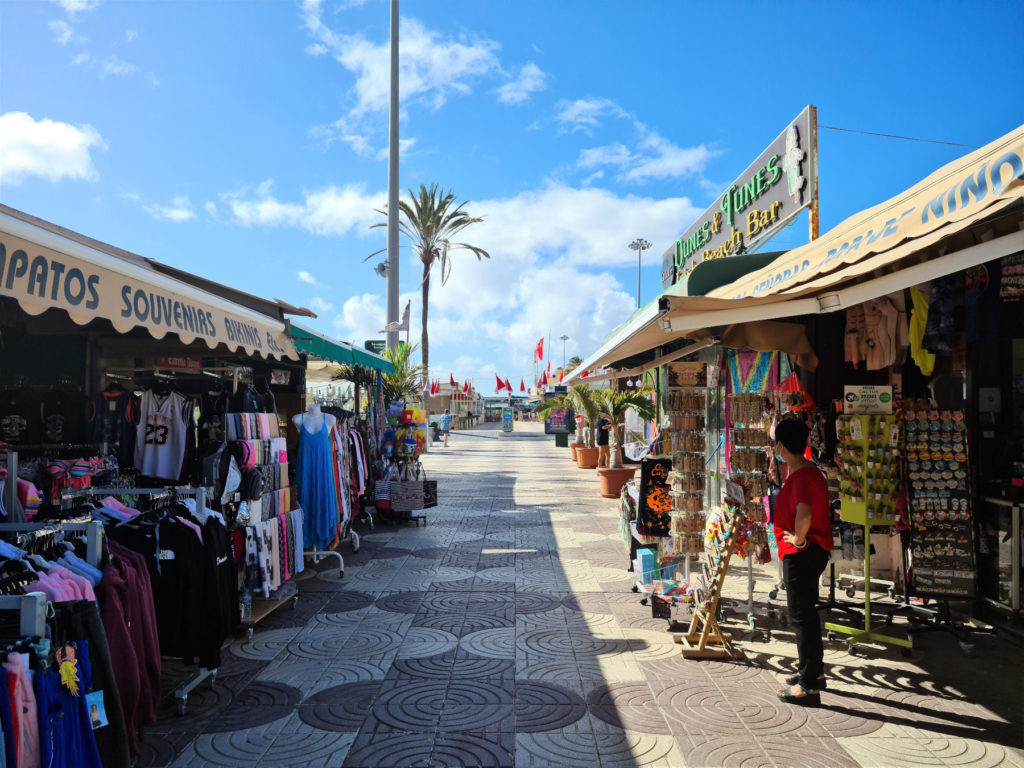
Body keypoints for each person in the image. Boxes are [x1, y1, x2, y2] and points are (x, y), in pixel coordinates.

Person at [772, 418, 833, 706]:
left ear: (781, 446)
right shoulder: (804, 471)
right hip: (807, 552)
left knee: (801, 617)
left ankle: (809, 687)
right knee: (805, 615)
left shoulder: (802, 477)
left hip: (803, 554)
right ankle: (812, 673)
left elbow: (805, 514)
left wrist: (797, 540)